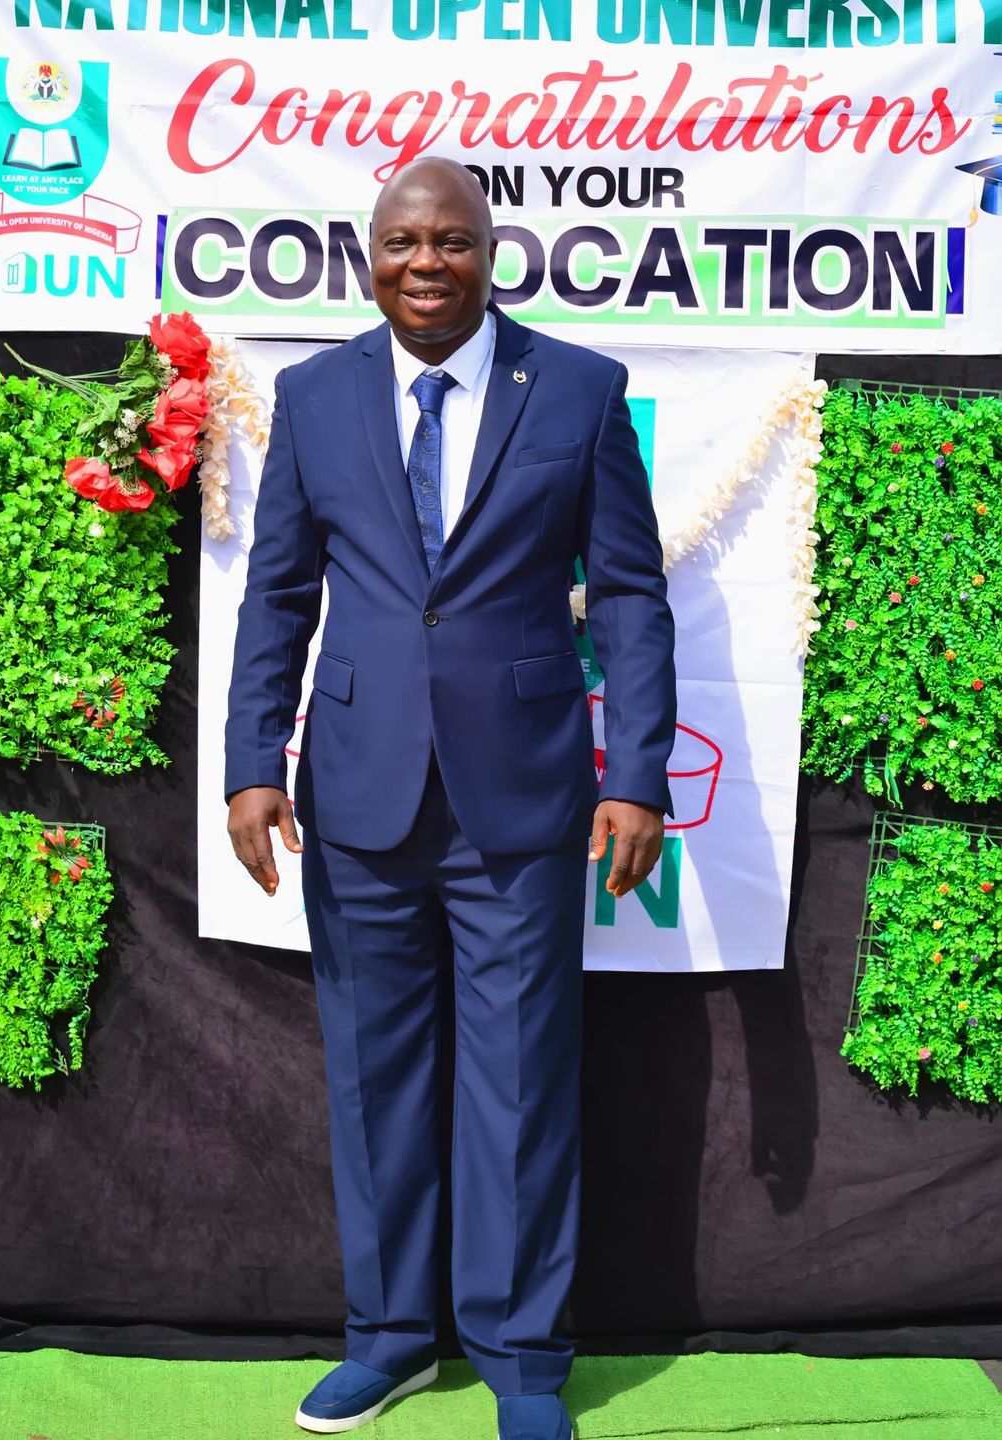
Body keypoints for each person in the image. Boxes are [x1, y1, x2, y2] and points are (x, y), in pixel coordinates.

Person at [224, 157, 676, 1440]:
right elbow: (276, 597)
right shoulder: (314, 398)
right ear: (370, 256)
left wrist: (636, 772)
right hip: (358, 796)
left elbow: (632, 600)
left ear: (493, 251)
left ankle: (526, 1360)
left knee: (523, 1083)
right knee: (374, 1081)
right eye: (403, 243)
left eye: (455, 242)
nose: (428, 263)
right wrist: (253, 761)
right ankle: (389, 1342)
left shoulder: (580, 390)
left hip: (525, 801)